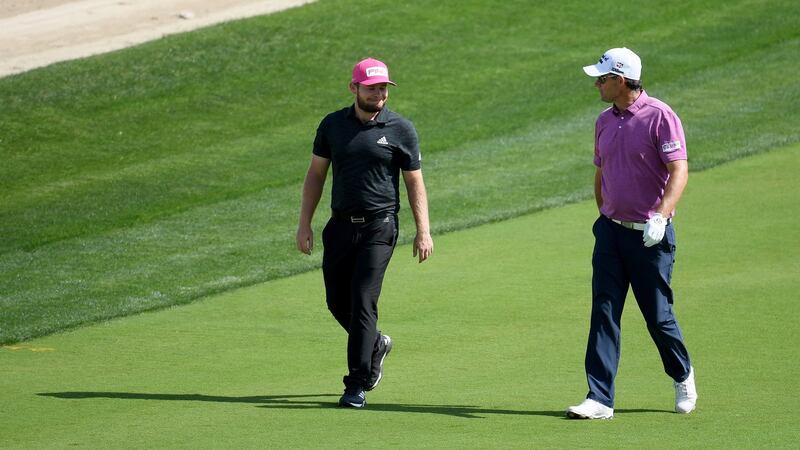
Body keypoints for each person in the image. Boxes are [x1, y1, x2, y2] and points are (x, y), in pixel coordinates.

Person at [566, 47, 698, 419]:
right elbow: (601, 171)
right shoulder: (604, 120)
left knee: (658, 316)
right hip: (611, 234)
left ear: (620, 80)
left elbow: (679, 170)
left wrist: (661, 215)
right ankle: (600, 398)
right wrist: (604, 216)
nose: (596, 84)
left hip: (651, 236)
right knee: (604, 312)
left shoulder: (661, 117)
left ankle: (682, 373)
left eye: (602, 79)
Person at [296, 57, 433, 408]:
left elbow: (414, 182)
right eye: (372, 88)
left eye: (383, 88)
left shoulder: (401, 129)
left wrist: (424, 231)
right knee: (336, 301)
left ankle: (356, 383)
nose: (379, 94)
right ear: (354, 88)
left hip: (380, 225)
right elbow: (316, 175)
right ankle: (375, 344)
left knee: (362, 302)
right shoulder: (332, 126)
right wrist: (304, 223)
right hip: (340, 226)